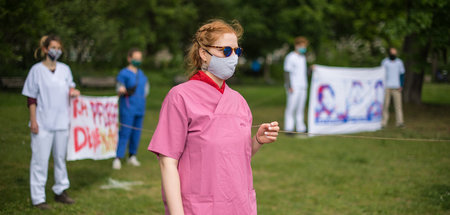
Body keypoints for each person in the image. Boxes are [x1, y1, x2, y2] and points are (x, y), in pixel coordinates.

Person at [148, 19, 280, 215]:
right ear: (204, 53)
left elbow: (234, 157)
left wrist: (257, 141)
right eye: (226, 51)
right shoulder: (180, 97)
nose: (233, 57)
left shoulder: (239, 101)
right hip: (199, 206)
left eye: (237, 51)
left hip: (239, 203)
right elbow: (167, 162)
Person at [22, 35, 79, 210]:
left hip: (62, 122)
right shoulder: (36, 71)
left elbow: (70, 87)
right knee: (40, 160)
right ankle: (38, 197)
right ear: (46, 49)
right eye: (53, 47)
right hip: (43, 122)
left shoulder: (65, 70)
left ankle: (60, 190)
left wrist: (73, 92)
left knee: (60, 158)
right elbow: (31, 98)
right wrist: (33, 120)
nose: (57, 51)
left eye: (59, 48)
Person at [112, 48, 149, 170]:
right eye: (135, 58)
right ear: (129, 58)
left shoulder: (142, 74)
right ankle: (118, 157)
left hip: (140, 108)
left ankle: (132, 155)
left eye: (139, 58)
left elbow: (146, 90)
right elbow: (119, 86)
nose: (138, 61)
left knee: (136, 133)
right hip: (127, 107)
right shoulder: (123, 73)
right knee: (125, 132)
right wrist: (121, 89)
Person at [283, 36, 309, 134]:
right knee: (291, 108)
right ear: (297, 45)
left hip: (303, 87)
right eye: (302, 46)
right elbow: (287, 72)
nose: (304, 48)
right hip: (293, 87)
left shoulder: (303, 58)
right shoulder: (290, 57)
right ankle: (289, 128)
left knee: (300, 108)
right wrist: (289, 86)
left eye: (305, 46)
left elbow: (304, 72)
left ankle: (300, 128)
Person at [381, 47, 405, 127]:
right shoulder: (385, 62)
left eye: (394, 53)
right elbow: (381, 74)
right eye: (392, 53)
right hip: (386, 87)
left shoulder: (399, 62)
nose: (393, 54)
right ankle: (384, 123)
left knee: (398, 106)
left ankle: (400, 122)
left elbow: (402, 74)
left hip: (396, 87)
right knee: (385, 106)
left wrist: (401, 85)